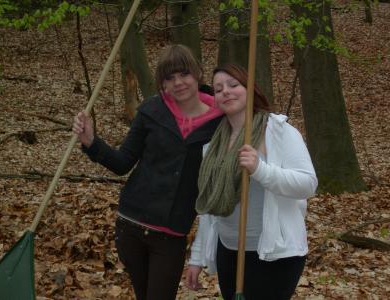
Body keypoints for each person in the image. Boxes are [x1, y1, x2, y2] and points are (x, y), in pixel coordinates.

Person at [72, 44, 222, 300]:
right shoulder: (151, 111)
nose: (178, 83)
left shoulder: (220, 122)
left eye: (184, 74)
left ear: (197, 73)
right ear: (162, 83)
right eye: (169, 77)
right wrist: (91, 142)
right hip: (131, 224)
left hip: (171, 233)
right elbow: (122, 163)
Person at [185, 63, 318, 300]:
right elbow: (210, 207)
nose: (225, 91)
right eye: (218, 89)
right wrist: (197, 257)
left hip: (273, 254)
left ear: (250, 89)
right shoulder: (213, 143)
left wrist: (260, 169)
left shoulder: (278, 131)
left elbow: (307, 184)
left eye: (233, 85)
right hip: (229, 252)